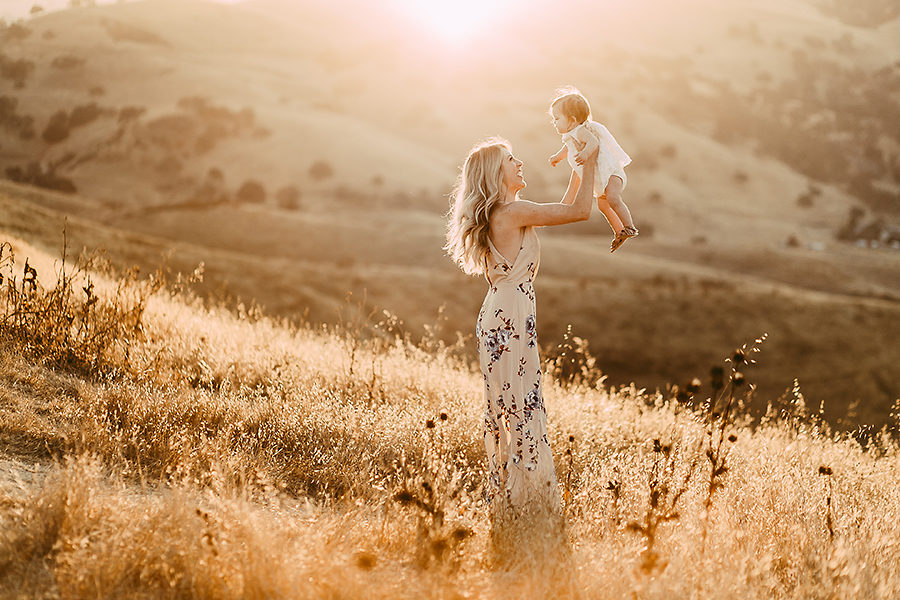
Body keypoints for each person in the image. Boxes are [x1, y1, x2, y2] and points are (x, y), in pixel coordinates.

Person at [445, 137, 599, 523]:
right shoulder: (512, 212)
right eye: (512, 160)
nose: (520, 164)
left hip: (500, 315)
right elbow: (579, 213)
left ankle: (515, 503)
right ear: (497, 173)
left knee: (512, 408)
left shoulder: (504, 213)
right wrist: (593, 159)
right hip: (510, 318)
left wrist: (579, 170)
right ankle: (529, 507)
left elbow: (565, 206)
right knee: (523, 407)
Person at [548, 86, 638, 252]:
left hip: (611, 174)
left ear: (572, 119)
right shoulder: (571, 135)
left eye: (557, 118)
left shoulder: (582, 131)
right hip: (601, 179)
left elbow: (593, 143)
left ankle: (629, 226)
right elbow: (567, 147)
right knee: (603, 206)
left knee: (612, 198)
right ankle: (619, 232)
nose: (554, 123)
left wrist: (585, 154)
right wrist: (557, 157)